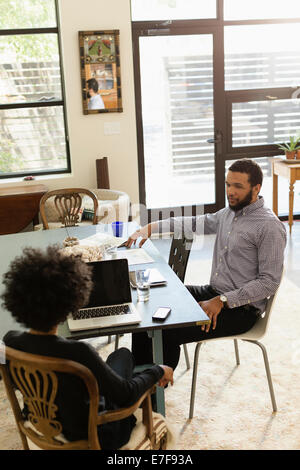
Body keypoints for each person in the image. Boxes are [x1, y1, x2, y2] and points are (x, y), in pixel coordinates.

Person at [1, 246, 173, 449]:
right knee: (123, 356)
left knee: (120, 357)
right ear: (70, 304)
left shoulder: (10, 341)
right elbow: (126, 395)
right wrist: (158, 370)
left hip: (40, 422)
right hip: (98, 435)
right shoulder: (79, 354)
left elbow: (10, 379)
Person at [126, 159, 287, 370]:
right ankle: (135, 384)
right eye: (228, 184)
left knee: (166, 329)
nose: (230, 191)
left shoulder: (269, 227)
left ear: (256, 188)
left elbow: (269, 282)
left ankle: (155, 393)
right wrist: (150, 227)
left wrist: (222, 300)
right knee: (147, 308)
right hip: (213, 292)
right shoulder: (228, 214)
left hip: (239, 310)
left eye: (238, 186)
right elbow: (193, 223)